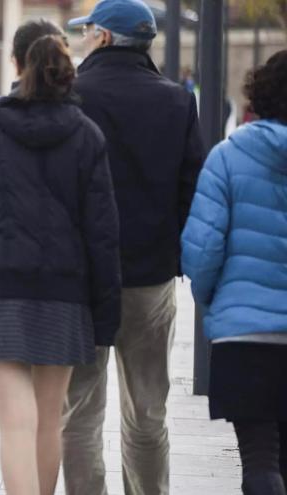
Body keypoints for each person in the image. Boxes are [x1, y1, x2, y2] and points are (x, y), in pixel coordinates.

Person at [0, 30, 121, 494]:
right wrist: (107, 314)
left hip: (1, 288)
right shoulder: (86, 135)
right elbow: (103, 233)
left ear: (15, 63)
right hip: (65, 295)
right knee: (48, 421)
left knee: (15, 421)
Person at [61, 1, 205, 494]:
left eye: (86, 33)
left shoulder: (71, 96)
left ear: (102, 37)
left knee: (79, 409)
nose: (81, 40)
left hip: (81, 279)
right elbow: (193, 189)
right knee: (147, 411)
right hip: (150, 278)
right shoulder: (177, 100)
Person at [181, 50, 287, 495]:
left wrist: (217, 306)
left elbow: (202, 251)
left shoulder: (228, 156)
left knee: (260, 457)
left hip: (245, 339)